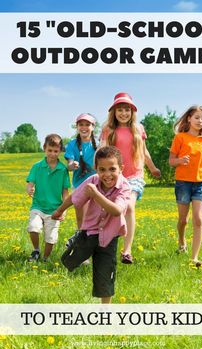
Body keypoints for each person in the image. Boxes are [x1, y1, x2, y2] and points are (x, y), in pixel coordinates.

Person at [51, 146, 131, 304]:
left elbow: (116, 211)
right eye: (102, 169)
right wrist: (59, 211)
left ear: (121, 168)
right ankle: (76, 247)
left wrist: (96, 194)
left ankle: (105, 310)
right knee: (69, 260)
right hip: (89, 233)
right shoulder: (93, 181)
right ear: (96, 169)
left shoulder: (124, 187)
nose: (107, 174)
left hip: (109, 237)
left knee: (105, 273)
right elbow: (75, 197)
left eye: (112, 169)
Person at [100, 92, 161, 264]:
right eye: (120, 110)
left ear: (132, 112)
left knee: (129, 207)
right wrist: (98, 167)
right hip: (115, 176)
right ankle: (106, 244)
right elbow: (102, 150)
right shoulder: (108, 130)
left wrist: (153, 168)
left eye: (127, 109)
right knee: (112, 211)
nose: (124, 113)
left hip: (135, 175)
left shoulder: (138, 129)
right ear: (114, 112)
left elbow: (144, 151)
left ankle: (127, 251)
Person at [169, 105, 202, 267]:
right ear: (189, 118)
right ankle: (181, 240)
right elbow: (171, 161)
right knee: (183, 220)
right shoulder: (180, 138)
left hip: (201, 184)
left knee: (198, 219)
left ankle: (194, 258)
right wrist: (180, 161)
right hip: (183, 183)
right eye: (197, 117)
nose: (200, 121)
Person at [26, 134, 70, 262]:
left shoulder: (62, 170)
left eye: (56, 151)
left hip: (54, 210)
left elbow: (65, 192)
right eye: (49, 150)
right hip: (38, 206)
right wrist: (30, 189)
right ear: (44, 148)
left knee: (51, 238)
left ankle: (45, 258)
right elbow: (29, 184)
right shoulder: (37, 166)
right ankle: (36, 250)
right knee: (33, 227)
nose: (52, 154)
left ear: (60, 151)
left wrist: (64, 209)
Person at [64, 113, 97, 228]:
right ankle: (81, 237)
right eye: (81, 124)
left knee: (94, 215)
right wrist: (72, 165)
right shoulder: (72, 145)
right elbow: (69, 165)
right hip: (78, 184)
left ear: (93, 127)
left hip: (97, 184)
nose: (84, 127)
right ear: (77, 127)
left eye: (87, 124)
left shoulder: (98, 144)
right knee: (80, 216)